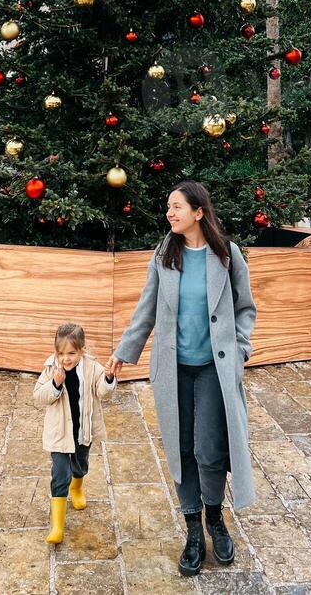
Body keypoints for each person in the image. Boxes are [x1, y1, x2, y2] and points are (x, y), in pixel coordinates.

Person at [106, 181, 256, 577]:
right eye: (168, 207)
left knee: (209, 450)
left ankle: (215, 520)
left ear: (198, 212)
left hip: (213, 369)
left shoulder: (227, 255)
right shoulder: (164, 255)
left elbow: (246, 308)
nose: (170, 213)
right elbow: (146, 309)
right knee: (180, 449)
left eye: (176, 207)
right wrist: (124, 352)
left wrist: (240, 349)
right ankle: (192, 531)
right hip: (173, 370)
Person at [33, 322, 117, 544]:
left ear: (82, 350)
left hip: (83, 430)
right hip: (60, 434)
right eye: (61, 353)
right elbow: (38, 396)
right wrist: (55, 384)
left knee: (80, 465)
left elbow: (103, 392)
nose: (66, 359)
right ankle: (57, 527)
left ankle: (77, 487)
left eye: (71, 353)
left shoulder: (92, 366)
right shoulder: (51, 369)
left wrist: (108, 378)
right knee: (60, 474)